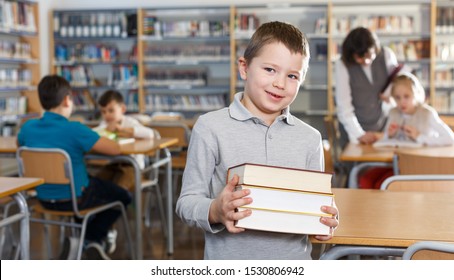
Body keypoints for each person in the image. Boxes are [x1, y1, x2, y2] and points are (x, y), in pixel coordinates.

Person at [176, 21, 338, 260]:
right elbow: (186, 203)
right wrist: (216, 210)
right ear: (244, 67)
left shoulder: (310, 139)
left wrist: (325, 219)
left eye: (292, 75)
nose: (280, 83)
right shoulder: (210, 127)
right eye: (270, 70)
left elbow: (314, 209)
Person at [17, 75, 132, 259]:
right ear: (67, 100)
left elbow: (20, 145)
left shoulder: (27, 128)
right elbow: (115, 149)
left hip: (42, 198)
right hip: (76, 199)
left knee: (96, 186)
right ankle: (90, 239)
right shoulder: (75, 130)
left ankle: (80, 239)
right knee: (123, 196)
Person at [358, 72, 454, 189]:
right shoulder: (394, 112)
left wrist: (419, 137)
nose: (402, 102)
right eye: (397, 98)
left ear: (416, 94)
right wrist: (389, 135)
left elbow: (450, 138)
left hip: (418, 167)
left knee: (381, 185)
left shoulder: (427, 114)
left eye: (406, 96)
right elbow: (387, 141)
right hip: (394, 164)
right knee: (365, 180)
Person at [335, 27, 403, 148]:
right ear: (351, 55)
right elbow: (344, 106)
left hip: (382, 127)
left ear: (375, 49)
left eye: (369, 55)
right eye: (360, 58)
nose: (366, 61)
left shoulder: (386, 55)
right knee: (357, 165)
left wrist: (389, 93)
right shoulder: (342, 65)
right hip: (354, 129)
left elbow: (399, 81)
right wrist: (359, 134)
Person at [93, 89, 155, 190]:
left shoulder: (130, 122)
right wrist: (104, 130)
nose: (107, 115)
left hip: (133, 167)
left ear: (122, 109)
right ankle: (107, 204)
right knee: (97, 184)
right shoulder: (104, 124)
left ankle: (118, 205)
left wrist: (123, 130)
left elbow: (150, 134)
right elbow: (94, 133)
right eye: (103, 112)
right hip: (114, 164)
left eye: (111, 110)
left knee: (119, 189)